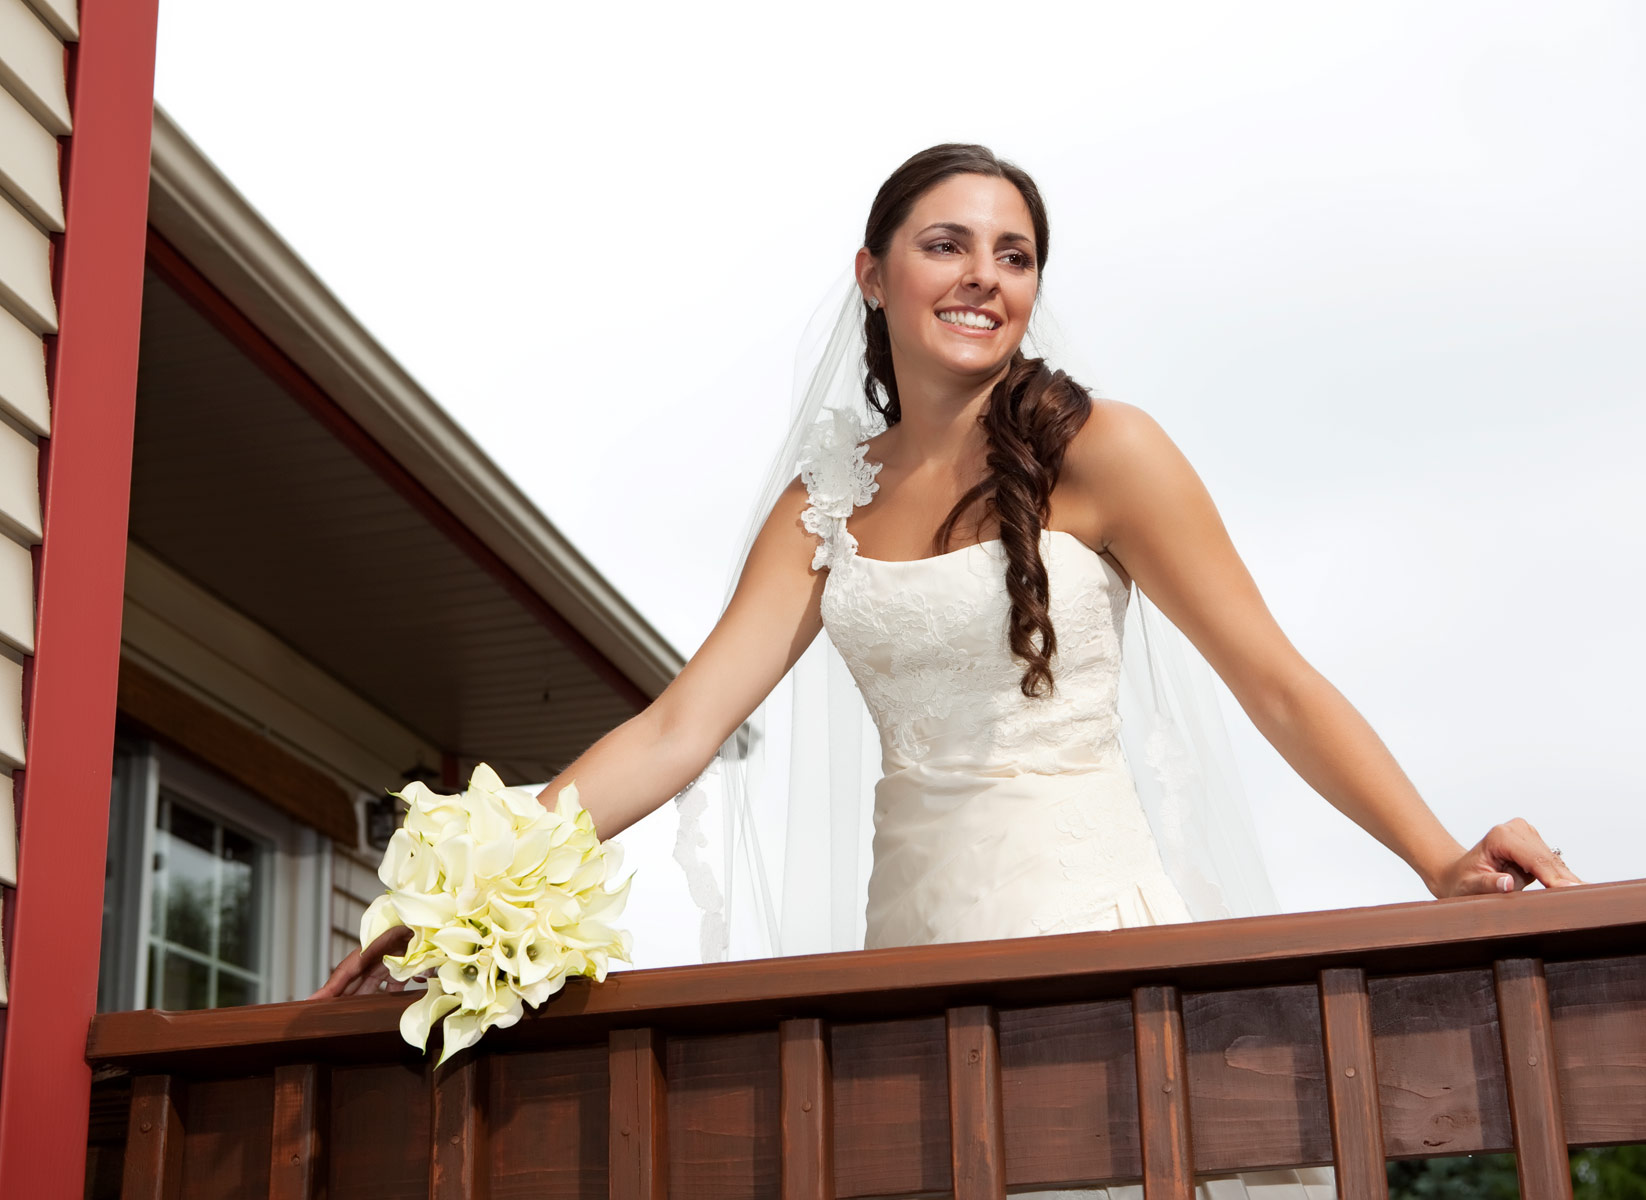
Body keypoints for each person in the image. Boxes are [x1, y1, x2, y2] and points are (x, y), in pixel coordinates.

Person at [314, 142, 1580, 1191]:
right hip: (910, 949)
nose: (985, 277)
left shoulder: (1110, 451)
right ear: (872, 274)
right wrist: (461, 897)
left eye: (1014, 254)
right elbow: (676, 729)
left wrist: (1437, 860)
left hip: (1091, 937)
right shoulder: (826, 506)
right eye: (947, 244)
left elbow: (1276, 681)